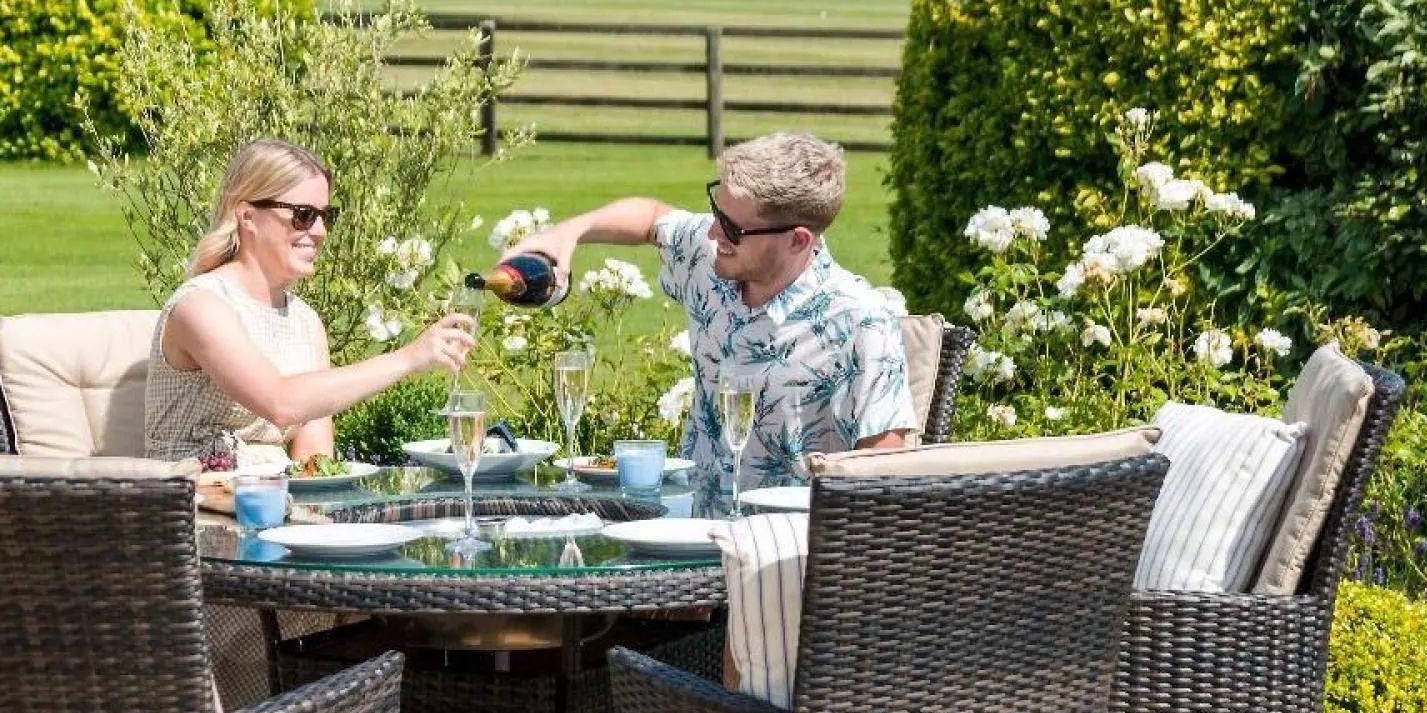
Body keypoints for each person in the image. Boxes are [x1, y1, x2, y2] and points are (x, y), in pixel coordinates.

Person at [506, 132, 913, 502]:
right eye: (717, 211)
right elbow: (651, 218)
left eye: (733, 228)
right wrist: (567, 233)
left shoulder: (860, 322)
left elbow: (884, 473)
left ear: (798, 240)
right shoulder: (712, 257)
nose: (714, 233)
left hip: (787, 558)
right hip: (683, 535)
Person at [139, 138, 474, 462]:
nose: (320, 232)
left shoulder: (304, 321)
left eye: (325, 216)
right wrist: (408, 358)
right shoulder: (200, 306)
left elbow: (313, 459)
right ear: (247, 216)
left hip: (272, 502)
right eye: (303, 215)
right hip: (193, 503)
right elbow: (279, 401)